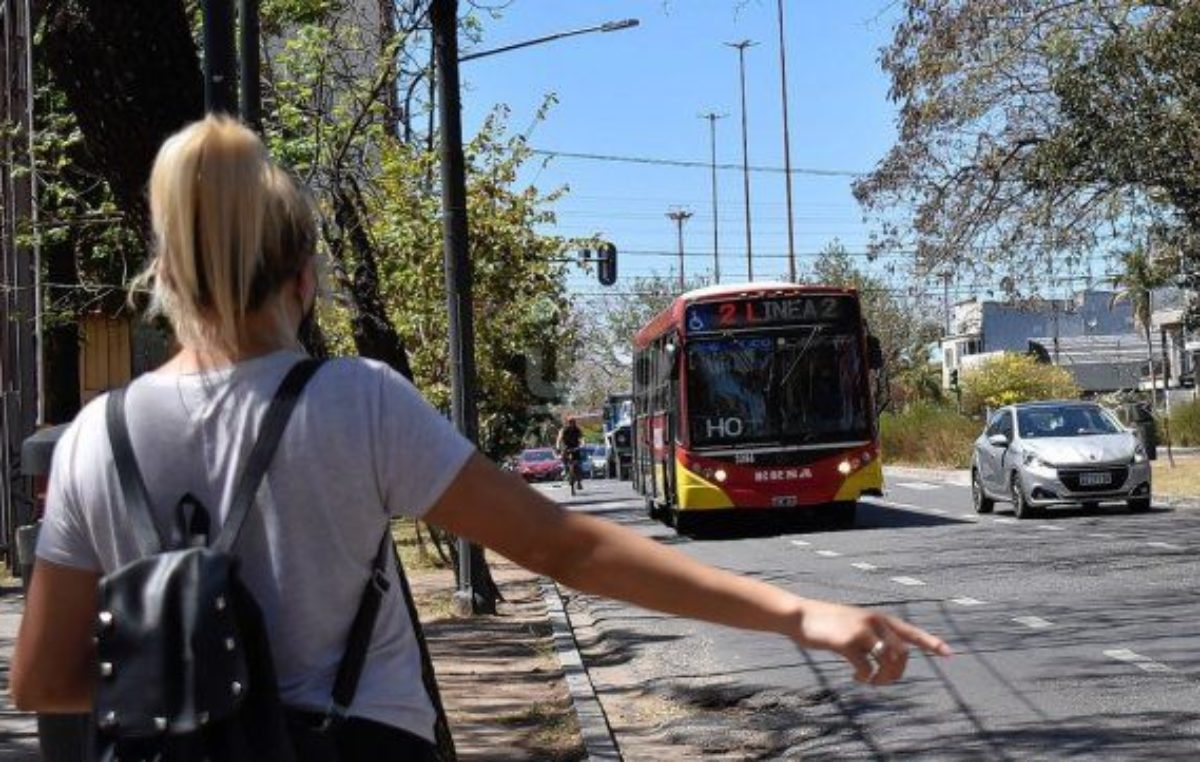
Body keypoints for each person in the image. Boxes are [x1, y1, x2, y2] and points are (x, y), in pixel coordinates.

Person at [10, 117, 950, 758]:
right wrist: (798, 614)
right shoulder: (355, 402)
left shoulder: (96, 440)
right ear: (304, 277)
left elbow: (46, 680)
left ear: (165, 274)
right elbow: (566, 547)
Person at [555, 417, 584, 490]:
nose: (571, 424)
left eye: (573, 422)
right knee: (564, 458)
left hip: (575, 447)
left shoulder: (577, 430)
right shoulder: (563, 430)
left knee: (578, 464)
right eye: (570, 422)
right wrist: (558, 446)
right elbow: (559, 439)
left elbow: (581, 438)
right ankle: (566, 470)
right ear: (567, 423)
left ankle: (579, 482)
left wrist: (582, 444)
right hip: (566, 447)